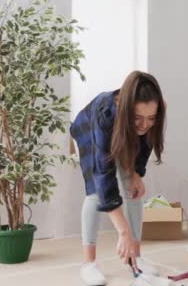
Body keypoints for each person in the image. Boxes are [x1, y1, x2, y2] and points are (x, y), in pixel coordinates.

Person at [70, 71, 166, 286]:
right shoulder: (106, 113)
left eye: (151, 118)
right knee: (95, 192)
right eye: (138, 118)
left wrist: (136, 173)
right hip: (89, 129)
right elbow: (104, 176)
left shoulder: (155, 112)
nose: (144, 124)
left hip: (124, 133)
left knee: (135, 191)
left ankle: (137, 257)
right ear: (126, 109)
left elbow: (146, 143)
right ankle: (88, 263)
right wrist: (123, 233)